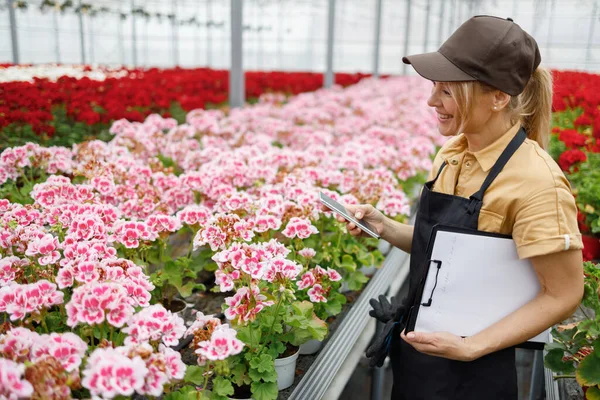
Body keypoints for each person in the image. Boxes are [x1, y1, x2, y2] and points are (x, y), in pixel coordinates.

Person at [326, 15, 584, 400]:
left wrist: (473, 346)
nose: (432, 101)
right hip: (419, 352)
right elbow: (444, 249)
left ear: (498, 97)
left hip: (475, 373)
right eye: (435, 88)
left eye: (448, 91)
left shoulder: (536, 183)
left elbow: (563, 293)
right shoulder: (452, 153)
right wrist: (385, 227)